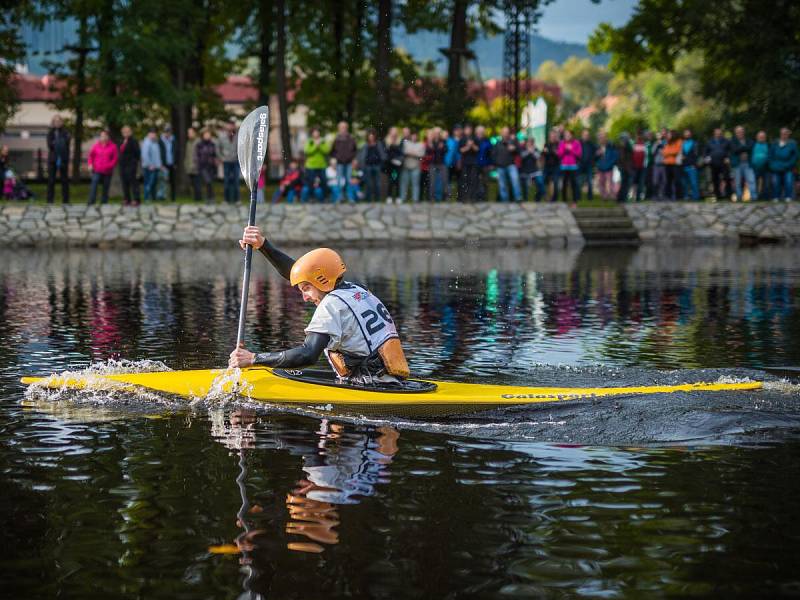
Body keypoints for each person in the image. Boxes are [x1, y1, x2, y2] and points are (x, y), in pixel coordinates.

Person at [229, 227, 410, 385]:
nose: (305, 298)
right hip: (390, 381)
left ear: (321, 281)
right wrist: (263, 245)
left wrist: (253, 359)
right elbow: (301, 273)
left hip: (371, 385)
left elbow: (308, 354)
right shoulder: (357, 290)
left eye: (306, 289)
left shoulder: (332, 305)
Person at [87, 129, 119, 205]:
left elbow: (115, 159)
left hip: (107, 170)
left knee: (106, 187)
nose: (103, 137)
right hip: (97, 169)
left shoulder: (113, 146)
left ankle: (104, 202)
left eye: (105, 136)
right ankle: (91, 201)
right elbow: (91, 156)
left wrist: (109, 165)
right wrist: (90, 164)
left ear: (108, 137)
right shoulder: (96, 146)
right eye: (102, 136)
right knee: (94, 184)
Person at [492, 126, 522, 202]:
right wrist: (496, 163)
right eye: (504, 132)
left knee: (515, 181)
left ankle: (518, 198)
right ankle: (504, 200)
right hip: (500, 167)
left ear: (508, 133)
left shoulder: (513, 141)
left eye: (507, 132)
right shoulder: (497, 143)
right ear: (501, 133)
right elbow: (493, 154)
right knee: (502, 185)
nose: (505, 134)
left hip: (511, 165)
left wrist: (514, 148)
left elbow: (519, 151)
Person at [46, 115, 71, 204]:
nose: (57, 123)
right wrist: (59, 142)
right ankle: (50, 200)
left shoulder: (65, 132)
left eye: (59, 121)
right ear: (53, 122)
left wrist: (57, 143)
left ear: (61, 122)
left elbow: (66, 143)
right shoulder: (50, 133)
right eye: (55, 121)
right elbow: (50, 145)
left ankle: (65, 201)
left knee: (64, 180)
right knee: (51, 180)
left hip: (63, 158)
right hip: (53, 159)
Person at [357, 130, 386, 203]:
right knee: (368, 183)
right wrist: (361, 165)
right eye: (370, 135)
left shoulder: (378, 144)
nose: (371, 137)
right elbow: (361, 156)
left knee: (378, 184)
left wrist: (382, 162)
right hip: (367, 166)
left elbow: (383, 154)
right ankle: (368, 199)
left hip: (377, 165)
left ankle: (378, 199)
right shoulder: (365, 145)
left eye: (372, 135)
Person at [769, 127, 797, 201]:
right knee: (776, 182)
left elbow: (795, 156)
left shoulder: (792, 143)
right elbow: (770, 155)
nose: (784, 135)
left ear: (788, 134)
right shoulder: (775, 143)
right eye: (782, 133)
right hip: (776, 167)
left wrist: (788, 165)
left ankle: (788, 197)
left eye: (785, 133)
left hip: (788, 167)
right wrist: (772, 165)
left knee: (788, 181)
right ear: (780, 134)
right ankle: (776, 197)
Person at [304, 127, 331, 201]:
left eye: (317, 132)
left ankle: (325, 197)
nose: (316, 133)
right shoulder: (309, 141)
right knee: (311, 182)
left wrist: (320, 146)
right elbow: (307, 151)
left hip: (322, 165)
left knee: (324, 181)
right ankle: (311, 197)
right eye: (314, 132)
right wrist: (315, 146)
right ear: (312, 133)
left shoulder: (323, 141)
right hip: (311, 165)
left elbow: (327, 151)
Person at [730, 125, 756, 202]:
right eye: (738, 132)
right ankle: (739, 197)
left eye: (741, 131)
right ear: (735, 133)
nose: (740, 133)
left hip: (748, 163)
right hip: (737, 164)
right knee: (737, 182)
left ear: (744, 132)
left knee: (751, 180)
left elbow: (751, 146)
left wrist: (740, 149)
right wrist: (744, 148)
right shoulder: (732, 141)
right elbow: (734, 150)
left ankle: (753, 197)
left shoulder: (748, 140)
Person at [704, 127, 731, 199]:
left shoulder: (726, 141)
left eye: (719, 132)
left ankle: (728, 195)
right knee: (715, 180)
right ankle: (718, 196)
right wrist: (707, 158)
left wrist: (728, 157)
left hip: (724, 163)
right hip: (713, 163)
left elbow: (729, 151)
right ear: (714, 133)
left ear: (721, 133)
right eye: (716, 132)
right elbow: (706, 152)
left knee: (727, 179)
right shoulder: (709, 142)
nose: (718, 134)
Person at [331, 122, 357, 195]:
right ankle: (339, 197)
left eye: (344, 127)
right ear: (338, 128)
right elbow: (332, 151)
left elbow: (355, 150)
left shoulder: (351, 138)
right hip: (339, 162)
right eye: (341, 127)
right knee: (339, 180)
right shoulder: (336, 139)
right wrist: (334, 158)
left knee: (349, 180)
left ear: (347, 128)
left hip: (349, 162)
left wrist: (354, 159)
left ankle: (350, 198)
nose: (343, 129)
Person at [557, 129, 582, 205]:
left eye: (568, 135)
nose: (567, 136)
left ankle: (574, 201)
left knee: (573, 184)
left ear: (572, 135)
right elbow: (559, 154)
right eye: (565, 135)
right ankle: (564, 201)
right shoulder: (562, 143)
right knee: (564, 184)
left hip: (573, 167)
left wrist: (571, 150)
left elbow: (579, 154)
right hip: (564, 167)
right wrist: (565, 149)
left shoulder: (576, 143)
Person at [399, 131, 424, 203]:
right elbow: (404, 151)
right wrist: (415, 153)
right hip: (406, 166)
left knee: (415, 184)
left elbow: (421, 154)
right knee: (404, 183)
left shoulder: (421, 144)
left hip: (416, 167)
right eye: (413, 136)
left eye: (415, 136)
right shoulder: (406, 143)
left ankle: (415, 199)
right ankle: (402, 198)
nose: (414, 137)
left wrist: (411, 153)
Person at [218, 122, 239, 204]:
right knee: (226, 181)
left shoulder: (238, 136)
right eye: (228, 125)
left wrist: (238, 157)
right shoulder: (222, 137)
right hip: (226, 161)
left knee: (236, 181)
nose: (230, 127)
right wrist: (221, 157)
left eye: (231, 126)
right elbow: (218, 148)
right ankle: (226, 200)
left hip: (235, 161)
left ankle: (237, 200)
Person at [118, 125, 140, 206]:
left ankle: (136, 199)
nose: (126, 133)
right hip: (122, 165)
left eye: (127, 131)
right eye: (124, 132)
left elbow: (137, 154)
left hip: (131, 165)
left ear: (130, 132)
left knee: (133, 182)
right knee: (124, 182)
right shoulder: (121, 141)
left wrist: (134, 163)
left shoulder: (134, 141)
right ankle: (127, 199)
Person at [458, 124, 480, 202]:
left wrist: (472, 145)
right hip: (465, 163)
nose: (468, 131)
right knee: (464, 180)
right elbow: (460, 150)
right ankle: (464, 198)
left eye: (469, 129)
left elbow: (477, 149)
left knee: (473, 180)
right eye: (467, 129)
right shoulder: (462, 139)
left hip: (474, 162)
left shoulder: (475, 139)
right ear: (464, 130)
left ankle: (473, 198)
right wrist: (468, 146)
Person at [195, 129, 218, 203]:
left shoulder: (212, 144)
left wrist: (215, 162)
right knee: (208, 181)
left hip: (211, 166)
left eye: (208, 134)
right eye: (206, 134)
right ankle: (210, 197)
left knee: (210, 182)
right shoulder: (199, 145)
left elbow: (214, 155)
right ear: (203, 135)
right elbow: (197, 156)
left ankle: (210, 198)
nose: (207, 136)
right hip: (203, 166)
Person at [519, 137, 544, 202]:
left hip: (535, 171)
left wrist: (532, 152)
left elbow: (538, 157)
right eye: (528, 142)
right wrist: (528, 151)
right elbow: (521, 156)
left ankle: (537, 199)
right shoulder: (522, 149)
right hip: (524, 172)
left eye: (531, 142)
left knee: (541, 184)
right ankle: (525, 201)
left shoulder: (535, 149)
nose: (529, 144)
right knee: (525, 189)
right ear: (526, 143)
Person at [140, 128, 162, 201]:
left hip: (156, 167)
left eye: (154, 134)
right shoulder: (147, 143)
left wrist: (159, 165)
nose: (153, 135)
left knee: (154, 184)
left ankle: (153, 198)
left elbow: (157, 155)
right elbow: (145, 155)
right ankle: (146, 198)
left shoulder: (155, 143)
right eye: (152, 133)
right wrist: (150, 165)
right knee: (149, 183)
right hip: (149, 167)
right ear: (148, 134)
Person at [595, 130, 617, 199]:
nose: (601, 139)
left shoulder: (611, 145)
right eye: (600, 137)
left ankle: (612, 196)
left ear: (606, 138)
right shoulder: (597, 146)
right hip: (600, 167)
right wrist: (597, 154)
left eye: (603, 137)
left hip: (609, 167)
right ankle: (604, 196)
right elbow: (594, 158)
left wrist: (611, 164)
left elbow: (615, 155)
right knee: (601, 182)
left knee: (610, 182)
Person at [662, 130, 683, 201]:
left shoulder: (679, 141)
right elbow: (664, 152)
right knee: (668, 181)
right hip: (667, 164)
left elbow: (676, 151)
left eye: (669, 134)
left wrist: (669, 153)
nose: (668, 136)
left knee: (677, 180)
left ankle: (678, 196)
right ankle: (668, 196)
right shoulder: (667, 142)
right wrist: (670, 153)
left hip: (675, 164)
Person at [384, 127, 403, 204]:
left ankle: (398, 197)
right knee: (391, 181)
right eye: (392, 132)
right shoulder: (386, 140)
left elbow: (401, 152)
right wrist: (391, 145)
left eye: (395, 132)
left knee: (397, 181)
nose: (394, 134)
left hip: (397, 165)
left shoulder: (400, 141)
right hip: (389, 165)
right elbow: (386, 153)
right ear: (390, 132)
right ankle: (389, 197)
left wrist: (397, 159)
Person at [542, 129, 562, 202]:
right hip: (547, 166)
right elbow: (544, 153)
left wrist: (550, 152)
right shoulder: (546, 144)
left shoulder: (558, 144)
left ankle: (554, 199)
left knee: (555, 182)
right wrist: (545, 152)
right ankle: (545, 196)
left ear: (555, 136)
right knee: (543, 181)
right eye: (551, 136)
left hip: (556, 166)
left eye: (553, 136)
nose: (552, 137)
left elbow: (558, 155)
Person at [681, 129, 700, 201]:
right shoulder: (682, 143)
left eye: (688, 134)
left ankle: (696, 197)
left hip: (692, 166)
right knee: (684, 183)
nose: (687, 135)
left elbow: (697, 155)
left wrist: (694, 164)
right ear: (684, 135)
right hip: (683, 166)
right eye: (685, 134)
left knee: (694, 183)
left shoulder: (695, 143)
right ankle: (686, 196)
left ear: (691, 134)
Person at [751, 130, 771, 200]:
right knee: (754, 184)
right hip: (755, 168)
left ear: (765, 138)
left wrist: (767, 161)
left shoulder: (768, 145)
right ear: (757, 137)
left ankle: (765, 198)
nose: (761, 138)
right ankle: (755, 198)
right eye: (760, 137)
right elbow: (750, 155)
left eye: (763, 137)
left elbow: (771, 155)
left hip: (766, 168)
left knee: (766, 184)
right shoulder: (753, 144)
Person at [475, 126, 492, 201]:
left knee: (485, 181)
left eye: (482, 131)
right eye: (479, 131)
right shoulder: (474, 140)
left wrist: (491, 163)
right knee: (476, 181)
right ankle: (477, 197)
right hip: (476, 163)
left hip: (485, 164)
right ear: (476, 132)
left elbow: (491, 153)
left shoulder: (487, 141)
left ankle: (484, 197)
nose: (480, 133)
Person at [578, 129, 596, 201]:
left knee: (590, 182)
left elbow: (596, 152)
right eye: (585, 135)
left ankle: (590, 197)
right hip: (580, 164)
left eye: (587, 135)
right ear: (582, 135)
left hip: (589, 165)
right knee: (579, 182)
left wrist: (593, 160)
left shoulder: (591, 144)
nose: (586, 136)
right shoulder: (578, 143)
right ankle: (578, 197)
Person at [615, 132, 633, 203]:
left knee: (625, 183)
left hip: (625, 167)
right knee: (624, 183)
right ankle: (621, 198)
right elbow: (622, 158)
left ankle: (622, 198)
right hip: (624, 167)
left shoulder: (626, 145)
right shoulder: (623, 146)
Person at [160, 125, 176, 201]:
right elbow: (159, 153)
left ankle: (173, 197)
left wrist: (175, 162)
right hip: (164, 164)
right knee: (164, 180)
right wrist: (161, 164)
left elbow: (176, 152)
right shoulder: (161, 141)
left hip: (171, 163)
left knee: (172, 181)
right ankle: (163, 196)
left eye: (169, 132)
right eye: (166, 132)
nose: (168, 133)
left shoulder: (173, 140)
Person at [185, 127, 201, 201]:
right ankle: (196, 198)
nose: (189, 134)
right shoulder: (188, 143)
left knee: (197, 183)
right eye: (188, 133)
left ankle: (198, 198)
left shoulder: (198, 142)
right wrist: (186, 165)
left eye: (190, 133)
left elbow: (200, 155)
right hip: (189, 167)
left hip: (196, 167)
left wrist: (196, 165)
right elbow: (187, 155)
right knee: (193, 184)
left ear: (194, 133)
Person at [651, 129, 667, 201]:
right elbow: (652, 153)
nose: (659, 137)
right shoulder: (655, 143)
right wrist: (657, 146)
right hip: (656, 165)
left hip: (664, 164)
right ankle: (655, 195)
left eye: (660, 135)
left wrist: (662, 146)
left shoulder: (665, 143)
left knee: (663, 181)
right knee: (655, 181)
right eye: (657, 136)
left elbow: (666, 152)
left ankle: (662, 195)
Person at [631, 132, 647, 202]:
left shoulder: (644, 145)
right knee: (635, 182)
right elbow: (632, 156)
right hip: (635, 167)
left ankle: (638, 197)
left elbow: (646, 156)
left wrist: (645, 165)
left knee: (640, 182)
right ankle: (634, 196)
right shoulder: (633, 145)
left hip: (642, 167)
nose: (638, 138)